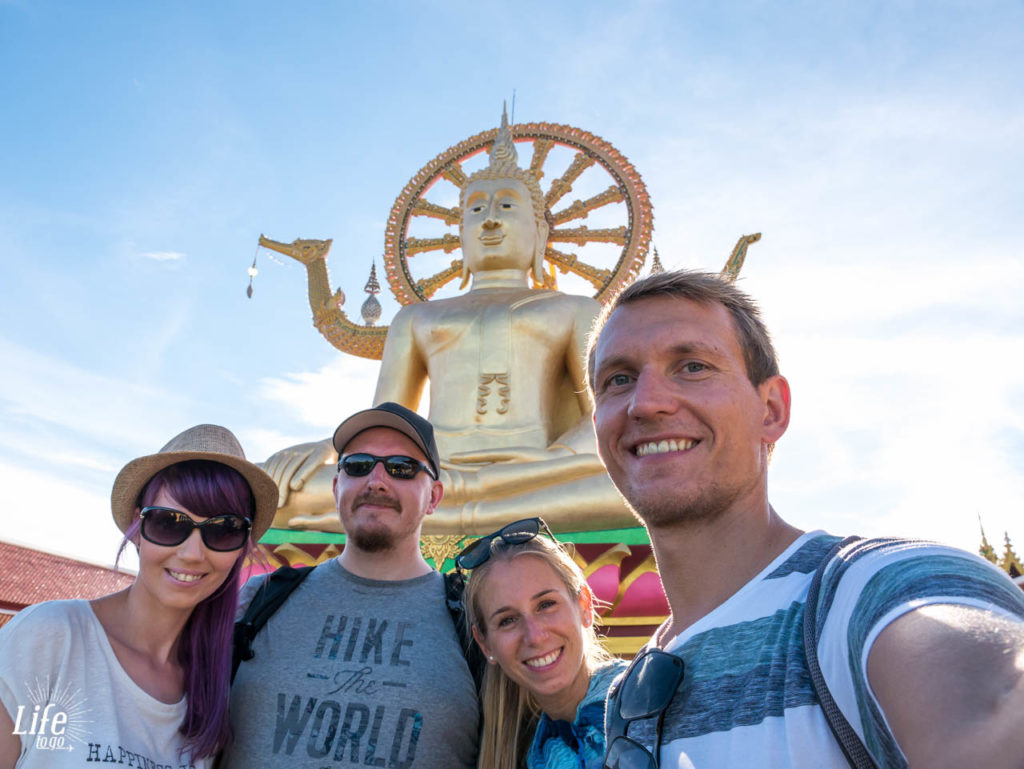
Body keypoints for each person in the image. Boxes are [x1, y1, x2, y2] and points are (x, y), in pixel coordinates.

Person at [587, 270, 1024, 769]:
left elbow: (985, 695)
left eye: (692, 366)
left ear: (770, 409)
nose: (646, 403)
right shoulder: (629, 694)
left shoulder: (869, 592)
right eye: (618, 379)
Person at [262, 108, 634, 536]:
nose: (490, 219)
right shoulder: (418, 317)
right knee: (279, 490)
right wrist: (332, 449)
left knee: (623, 487)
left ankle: (443, 511)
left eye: (507, 206)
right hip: (425, 474)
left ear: (540, 232)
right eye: (475, 210)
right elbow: (387, 421)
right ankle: (466, 508)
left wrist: (556, 458)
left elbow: (603, 416)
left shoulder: (575, 309)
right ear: (459, 233)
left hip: (539, 471)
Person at [0, 424, 278, 769]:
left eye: (223, 530)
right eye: (169, 522)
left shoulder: (212, 693)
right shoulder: (50, 638)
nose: (193, 553)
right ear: (138, 530)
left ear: (242, 546)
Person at [222, 402, 479, 769]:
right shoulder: (259, 599)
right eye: (358, 466)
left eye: (401, 469)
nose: (376, 481)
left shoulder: (473, 618)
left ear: (435, 497)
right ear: (335, 485)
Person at [459, 518, 626, 769]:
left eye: (546, 605)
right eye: (508, 620)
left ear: (584, 605)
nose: (535, 636)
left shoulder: (653, 709)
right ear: (485, 645)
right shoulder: (534, 754)